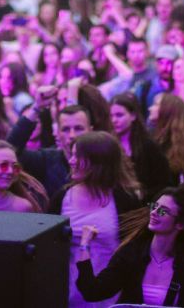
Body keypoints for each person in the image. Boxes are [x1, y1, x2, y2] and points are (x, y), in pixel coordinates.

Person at [76, 184, 184, 307]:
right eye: (154, 206)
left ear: (180, 224)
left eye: (162, 211)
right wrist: (84, 245)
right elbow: (92, 291)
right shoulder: (131, 254)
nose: (153, 212)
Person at [56, 132, 142, 308]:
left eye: (77, 156)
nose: (71, 161)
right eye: (71, 155)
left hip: (111, 298)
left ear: (98, 162)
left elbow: (137, 251)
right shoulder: (62, 198)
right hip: (68, 297)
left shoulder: (125, 199)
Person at [109, 92, 174, 198]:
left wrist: (143, 195)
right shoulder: (108, 145)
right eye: (111, 116)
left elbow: (165, 183)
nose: (114, 120)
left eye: (119, 115)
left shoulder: (148, 146)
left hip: (147, 205)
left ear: (133, 116)